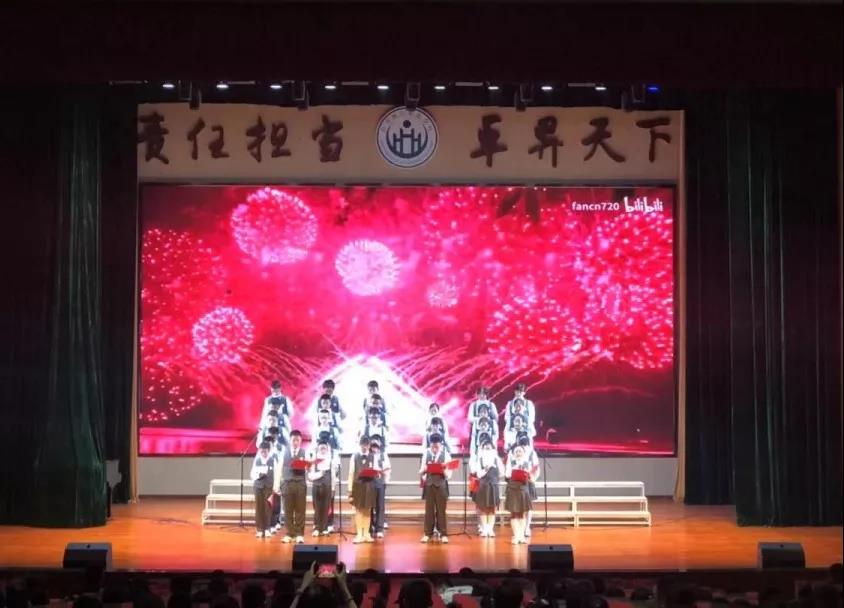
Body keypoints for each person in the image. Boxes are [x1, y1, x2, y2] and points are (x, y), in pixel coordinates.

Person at [274, 430, 308, 544]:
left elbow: (309, 469)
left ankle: (299, 534)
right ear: (290, 440)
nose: (295, 442)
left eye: (297, 440)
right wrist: (277, 485)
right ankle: (290, 533)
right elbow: (279, 469)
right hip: (287, 484)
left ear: (301, 441)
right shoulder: (283, 452)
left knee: (300, 510)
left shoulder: (304, 452)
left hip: (300, 484)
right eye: (293, 440)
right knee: (287, 510)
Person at [419, 433, 451, 543]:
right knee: (429, 510)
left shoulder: (446, 454)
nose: (434, 447)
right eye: (433, 445)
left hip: (441, 484)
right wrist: (424, 470)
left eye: (436, 445)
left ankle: (443, 534)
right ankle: (428, 533)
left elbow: (449, 475)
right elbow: (421, 471)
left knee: (441, 510)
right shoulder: (426, 453)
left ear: (440, 444)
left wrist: (443, 470)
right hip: (429, 484)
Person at [347, 435, 377, 543]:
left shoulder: (373, 456)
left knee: (367, 510)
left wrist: (376, 473)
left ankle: (366, 533)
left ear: (369, 445)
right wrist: (350, 489)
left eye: (367, 445)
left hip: (369, 486)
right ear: (360, 444)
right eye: (363, 444)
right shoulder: (354, 456)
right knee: (359, 510)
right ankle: (359, 533)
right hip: (358, 487)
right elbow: (351, 473)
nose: (365, 447)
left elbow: (376, 470)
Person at [471, 439, 503, 537]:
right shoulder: (480, 459)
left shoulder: (497, 459)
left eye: (489, 448)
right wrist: (485, 469)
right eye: (485, 448)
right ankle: (484, 528)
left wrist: (495, 476)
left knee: (492, 508)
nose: (487, 450)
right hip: (483, 485)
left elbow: (502, 473)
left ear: (493, 449)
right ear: (482, 449)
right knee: (483, 508)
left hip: (493, 486)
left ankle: (490, 529)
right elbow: (478, 474)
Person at [504, 443, 534, 544]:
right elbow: (507, 475)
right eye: (516, 451)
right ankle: (516, 536)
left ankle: (521, 536)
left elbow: (531, 478)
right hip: (513, 489)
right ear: (513, 454)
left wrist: (528, 474)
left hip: (523, 489)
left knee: (522, 513)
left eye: (520, 451)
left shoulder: (527, 464)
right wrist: (516, 470)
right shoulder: (511, 463)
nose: (518, 453)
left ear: (524, 453)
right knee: (514, 513)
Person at [307, 439, 338, 537]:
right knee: (317, 507)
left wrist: (333, 488)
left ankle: (324, 528)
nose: (323, 450)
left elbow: (333, 476)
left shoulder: (331, 460)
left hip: (327, 486)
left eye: (324, 448)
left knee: (326, 507)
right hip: (316, 486)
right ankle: (317, 527)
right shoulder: (314, 460)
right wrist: (320, 474)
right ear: (318, 449)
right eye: (321, 448)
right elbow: (310, 476)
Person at [250, 440, 277, 538]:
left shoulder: (273, 460)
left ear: (268, 451)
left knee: (267, 508)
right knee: (259, 507)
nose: (263, 453)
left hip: (268, 487)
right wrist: (259, 474)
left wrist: (275, 487)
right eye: (262, 451)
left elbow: (276, 474)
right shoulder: (257, 460)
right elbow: (252, 474)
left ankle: (267, 528)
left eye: (265, 451)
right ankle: (260, 529)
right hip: (258, 486)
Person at [368, 434, 392, 539]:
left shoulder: (383, 455)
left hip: (380, 482)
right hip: (369, 483)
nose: (374, 448)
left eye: (376, 446)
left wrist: (385, 481)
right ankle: (369, 527)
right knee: (369, 506)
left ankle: (379, 528)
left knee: (380, 506)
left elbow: (388, 468)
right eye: (373, 446)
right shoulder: (368, 455)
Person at [517, 434, 540, 537]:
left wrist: (533, 478)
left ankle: (527, 527)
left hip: (529, 481)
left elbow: (536, 467)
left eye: (525, 444)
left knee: (529, 506)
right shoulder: (516, 451)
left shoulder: (532, 453)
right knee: (520, 506)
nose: (524, 446)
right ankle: (520, 527)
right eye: (522, 444)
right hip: (518, 482)